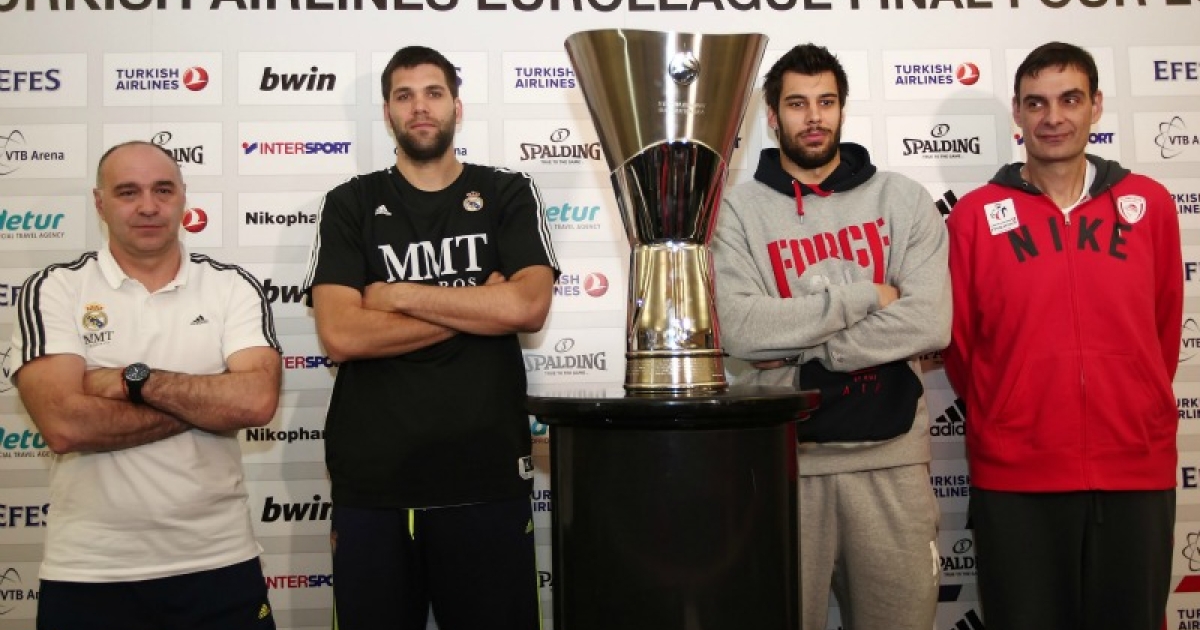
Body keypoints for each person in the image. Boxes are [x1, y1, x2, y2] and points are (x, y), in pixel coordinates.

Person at [303, 45, 558, 630]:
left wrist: (395, 295)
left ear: (457, 108)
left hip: (486, 477)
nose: (420, 107)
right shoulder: (351, 202)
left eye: (433, 93)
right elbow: (341, 334)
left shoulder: (506, 192)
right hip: (374, 485)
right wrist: (479, 304)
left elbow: (527, 306)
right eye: (404, 95)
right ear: (388, 112)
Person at [944, 42, 1183, 630]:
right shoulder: (974, 216)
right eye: (1036, 103)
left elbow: (1164, 328)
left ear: (1095, 106)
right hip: (1016, 475)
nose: (1053, 117)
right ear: (1017, 113)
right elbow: (962, 346)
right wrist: (1010, 410)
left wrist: (1134, 399)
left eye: (1069, 100)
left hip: (1133, 468)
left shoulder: (1149, 205)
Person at [712, 44, 950, 630]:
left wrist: (804, 349)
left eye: (826, 102)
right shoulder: (736, 212)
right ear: (773, 116)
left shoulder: (901, 199)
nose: (813, 117)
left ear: (843, 108)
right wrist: (863, 297)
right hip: (783, 468)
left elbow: (929, 322)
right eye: (797, 104)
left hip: (893, 465)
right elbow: (740, 330)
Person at [9, 141, 282, 629]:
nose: (148, 206)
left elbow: (256, 402)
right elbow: (65, 426)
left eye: (163, 190)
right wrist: (209, 399)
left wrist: (128, 381)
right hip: (90, 571)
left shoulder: (231, 286)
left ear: (183, 197)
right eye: (128, 192)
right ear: (100, 203)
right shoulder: (54, 288)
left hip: (219, 562)